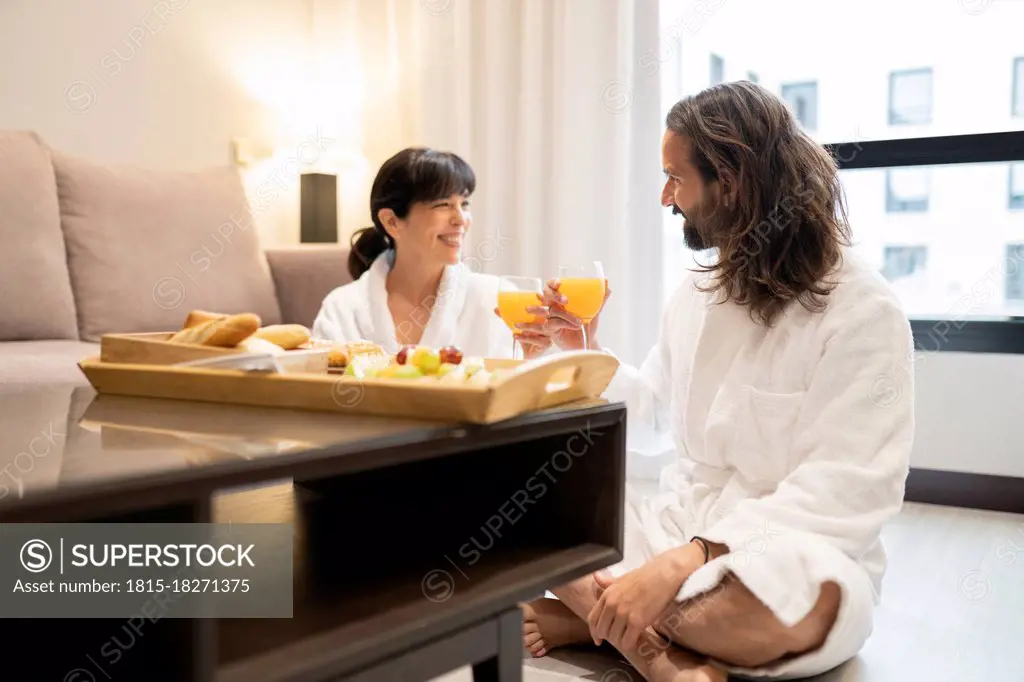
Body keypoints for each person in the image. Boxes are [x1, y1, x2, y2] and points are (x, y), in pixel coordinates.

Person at [523, 82, 915, 682]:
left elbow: (844, 492)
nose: (665, 197)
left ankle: (592, 620)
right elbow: (654, 417)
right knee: (522, 509)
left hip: (791, 549)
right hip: (679, 525)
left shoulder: (862, 311)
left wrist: (690, 559)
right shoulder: (700, 292)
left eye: (675, 177)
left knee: (766, 611)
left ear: (729, 182)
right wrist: (586, 350)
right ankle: (654, 656)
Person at [312, 147, 552, 358]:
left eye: (464, 204)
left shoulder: (497, 300)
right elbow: (322, 398)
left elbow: (515, 396)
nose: (461, 219)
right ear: (392, 222)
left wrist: (529, 359)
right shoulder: (342, 309)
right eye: (443, 205)